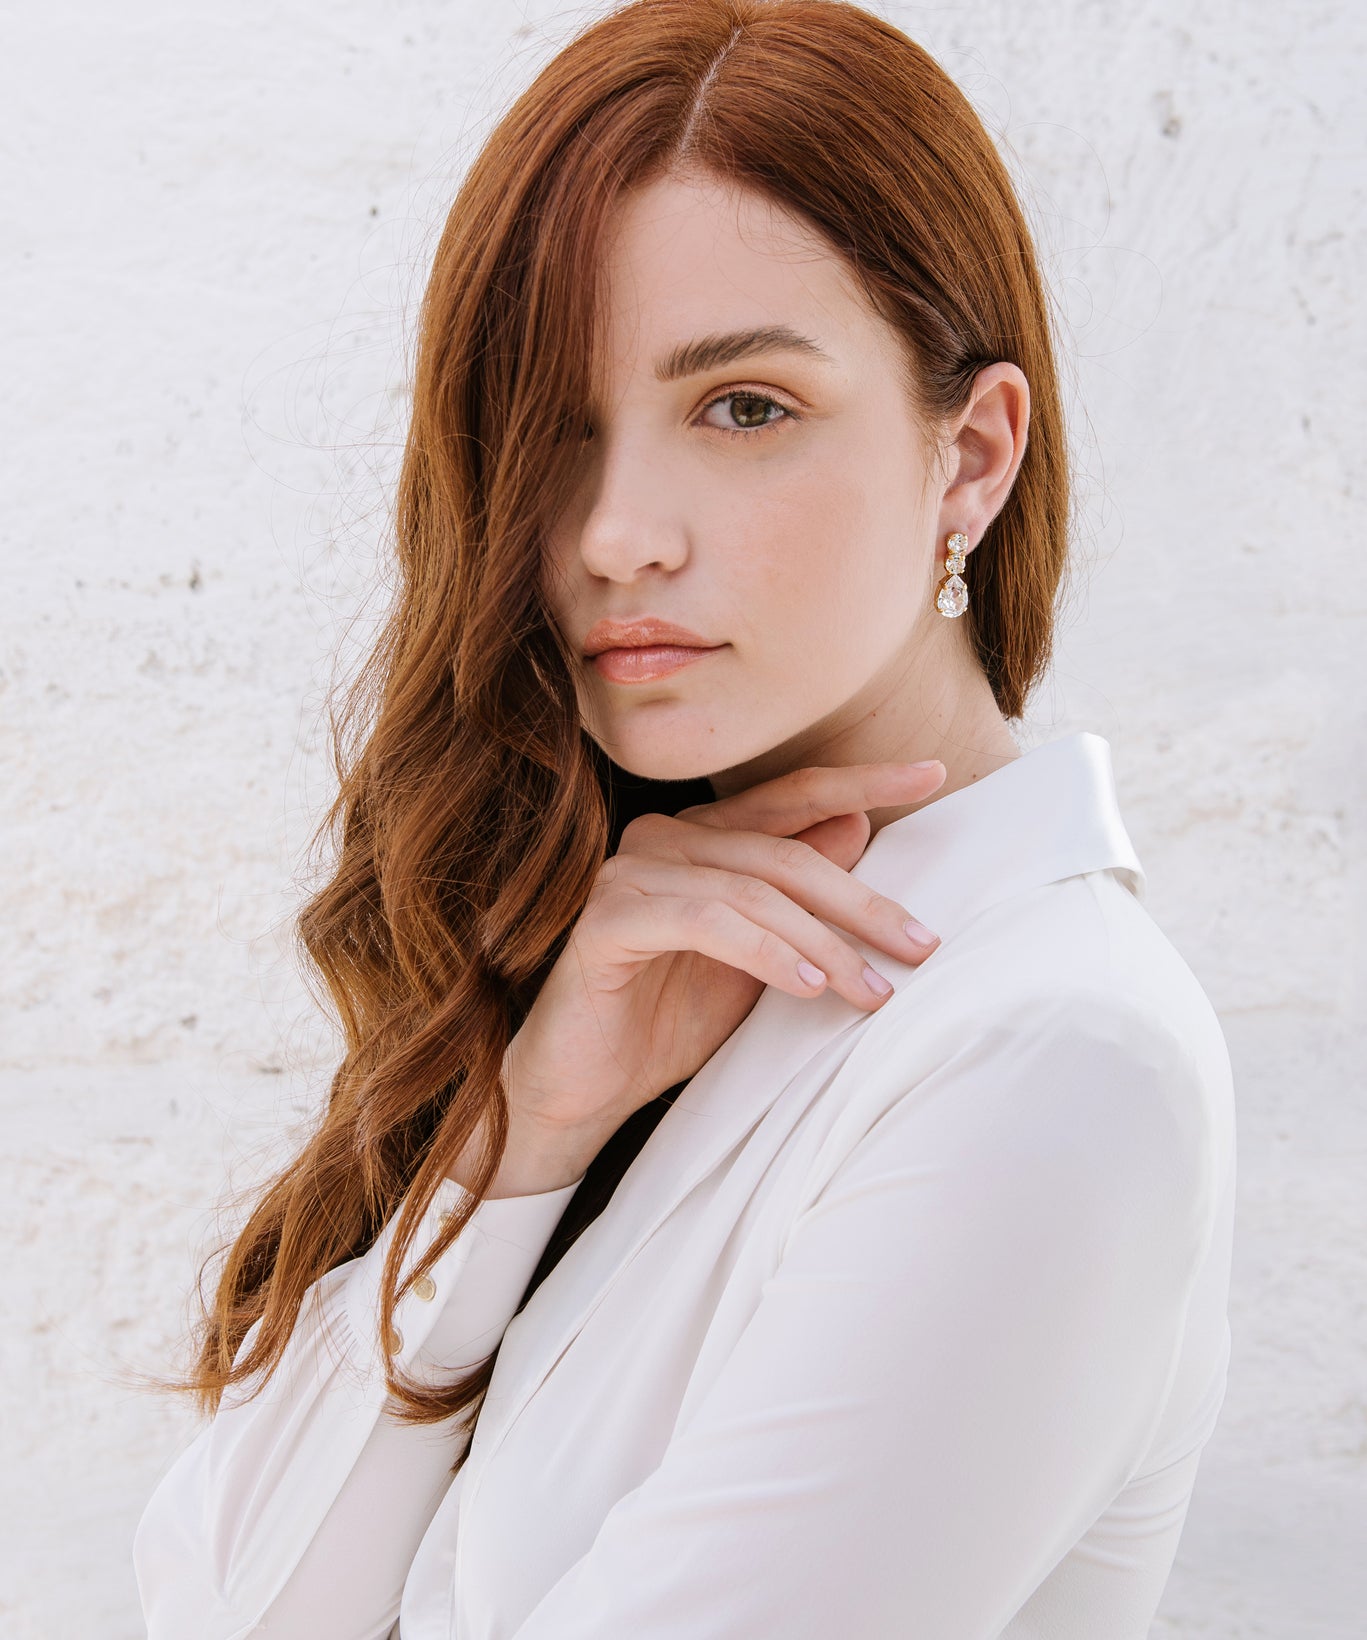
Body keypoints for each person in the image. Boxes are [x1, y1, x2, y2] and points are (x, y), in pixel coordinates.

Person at [133, 1, 1236, 1635]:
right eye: (558, 429)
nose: (613, 536)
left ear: (972, 460)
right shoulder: (654, 986)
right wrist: (529, 1130)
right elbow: (227, 1610)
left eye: (744, 408)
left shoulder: (1046, 1055)